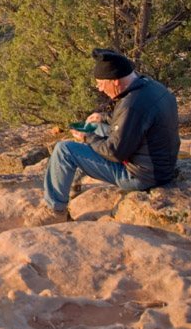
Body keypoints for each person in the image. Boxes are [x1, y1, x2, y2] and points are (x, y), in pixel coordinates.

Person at [26, 48, 180, 226]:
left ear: (115, 82)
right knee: (96, 126)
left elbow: (115, 152)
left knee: (64, 150)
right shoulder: (151, 87)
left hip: (142, 176)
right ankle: (71, 184)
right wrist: (104, 118)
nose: (99, 88)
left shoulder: (132, 106)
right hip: (161, 164)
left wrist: (87, 138)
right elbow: (135, 123)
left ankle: (55, 211)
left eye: (100, 83)